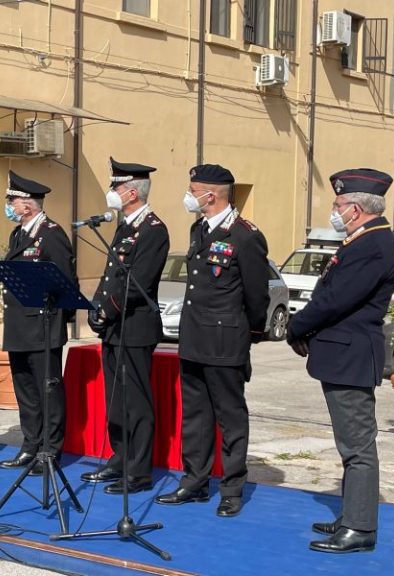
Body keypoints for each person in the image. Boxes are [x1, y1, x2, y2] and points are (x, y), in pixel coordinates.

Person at [287, 169, 394, 554]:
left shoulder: (374, 244)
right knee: (349, 444)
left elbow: (336, 300)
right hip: (341, 354)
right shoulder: (362, 240)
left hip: (351, 357)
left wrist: (295, 325)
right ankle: (352, 514)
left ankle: (360, 528)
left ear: (354, 208)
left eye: (338, 204)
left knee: (357, 447)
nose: (333, 211)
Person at [154, 164, 269, 517]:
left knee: (230, 417)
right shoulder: (198, 229)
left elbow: (256, 297)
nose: (189, 196)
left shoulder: (245, 235)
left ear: (211, 194)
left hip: (225, 342)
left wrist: (244, 336)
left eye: (192, 190)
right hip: (194, 339)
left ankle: (232, 487)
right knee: (196, 415)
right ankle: (195, 481)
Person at [82, 158, 169, 494]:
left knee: (136, 401)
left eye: (116, 186)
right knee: (116, 399)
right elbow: (112, 277)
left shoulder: (153, 229)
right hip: (114, 327)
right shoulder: (125, 225)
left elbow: (138, 283)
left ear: (132, 191)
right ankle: (120, 457)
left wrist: (108, 310)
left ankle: (139, 471)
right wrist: (97, 308)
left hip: (135, 325)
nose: (111, 192)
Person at [0, 171, 77, 476]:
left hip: (42, 325)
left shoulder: (51, 234)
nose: (9, 205)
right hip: (19, 325)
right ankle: (30, 445)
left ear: (27, 204)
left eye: (12, 200)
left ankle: (49, 451)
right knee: (26, 391)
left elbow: (65, 282)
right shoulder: (19, 234)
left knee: (48, 392)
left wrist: (58, 319)